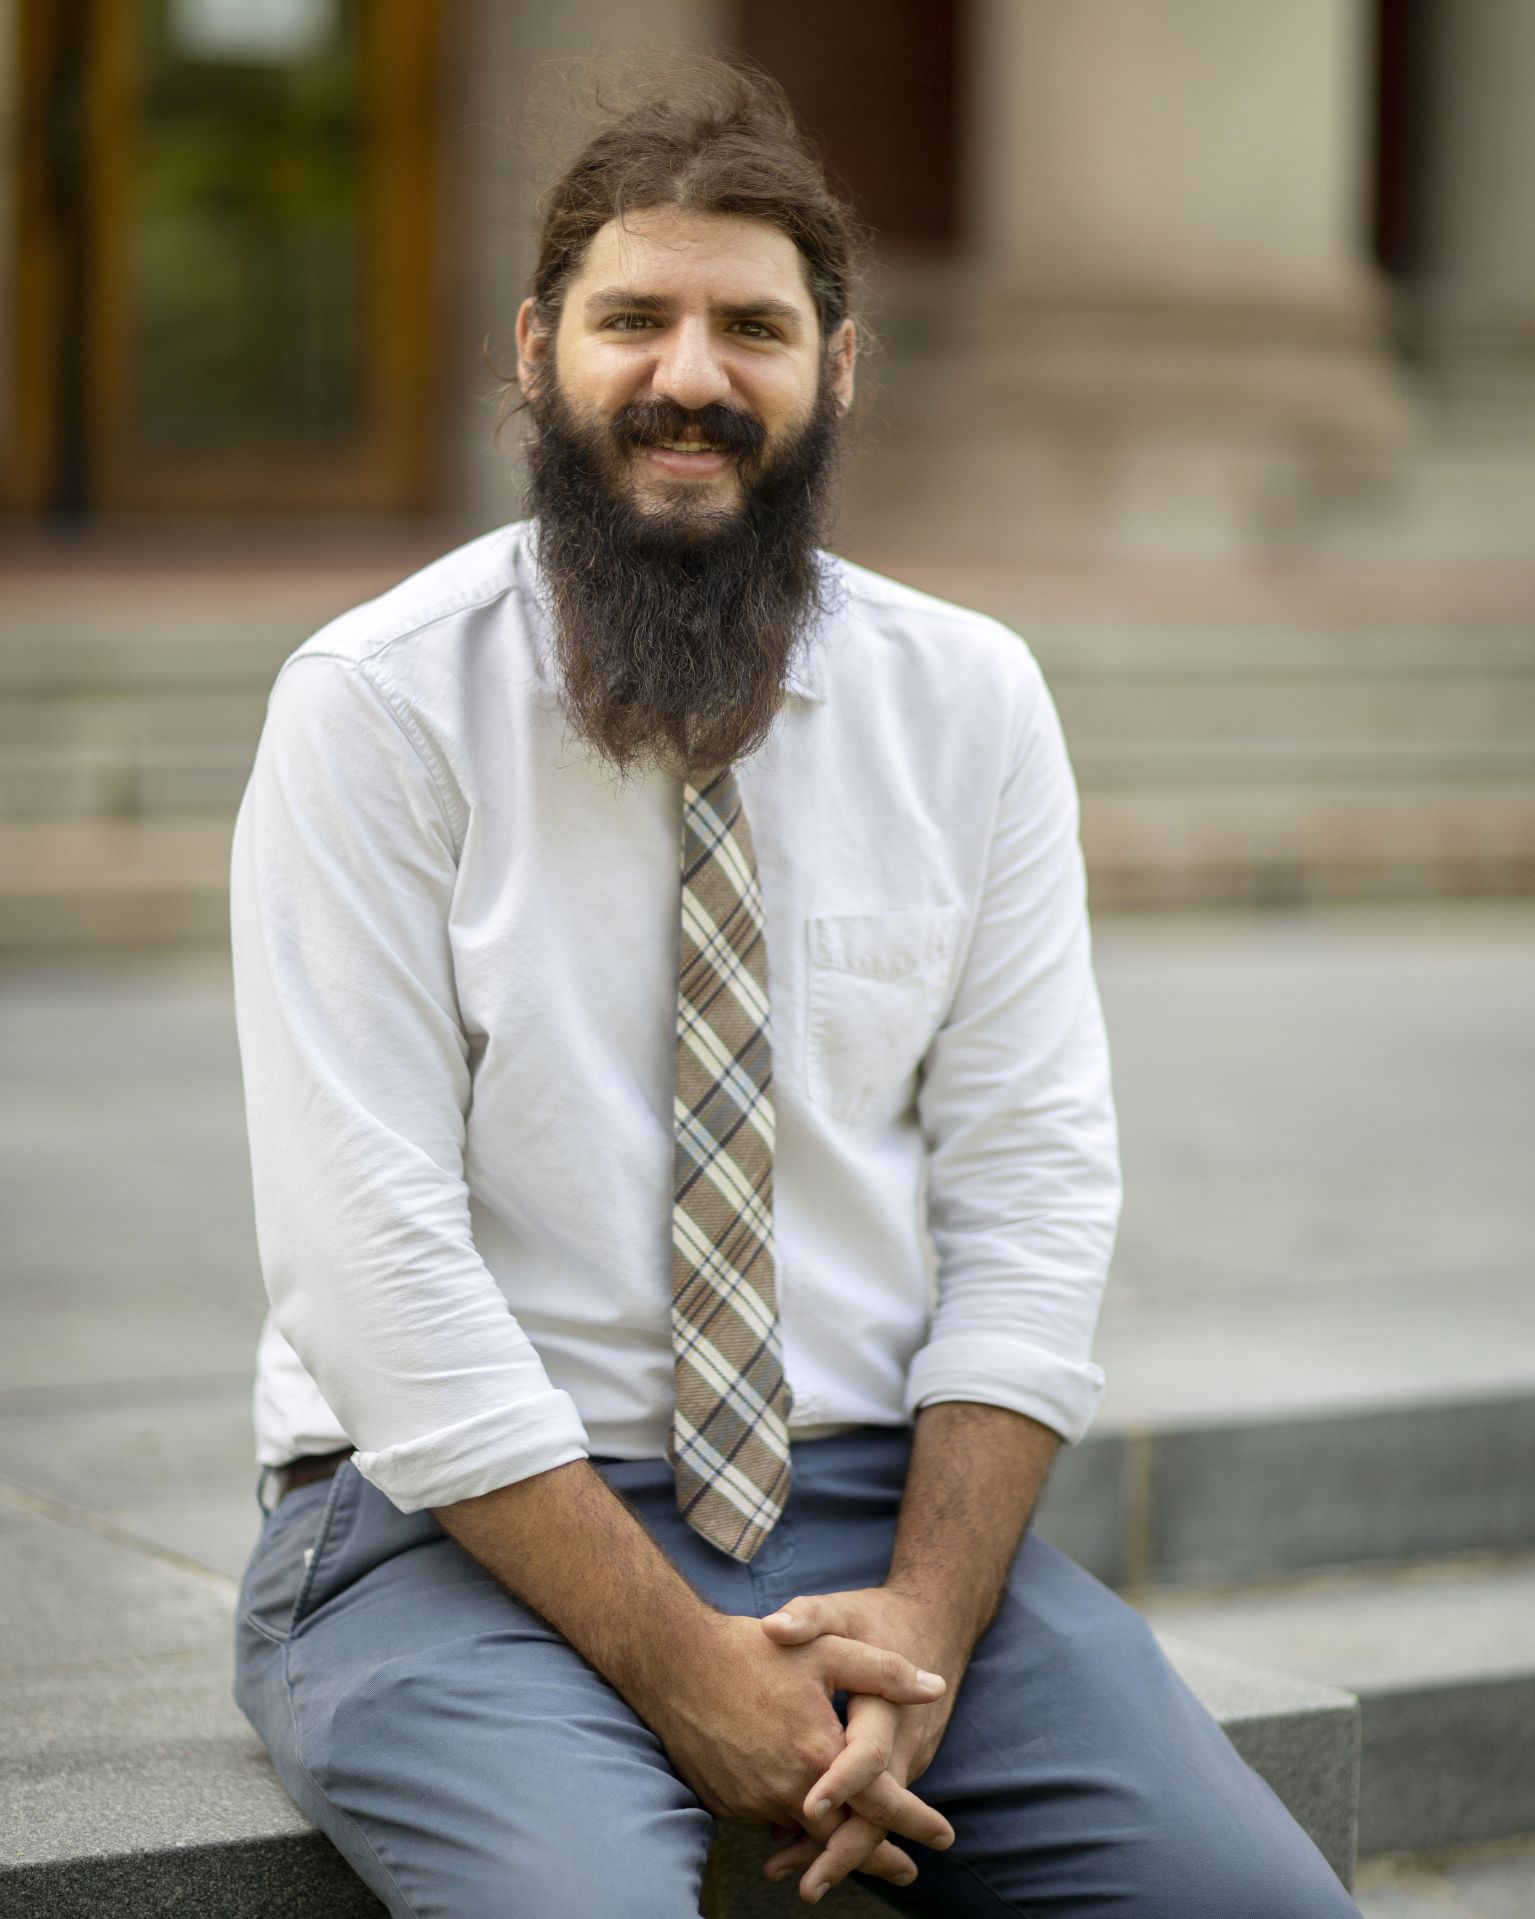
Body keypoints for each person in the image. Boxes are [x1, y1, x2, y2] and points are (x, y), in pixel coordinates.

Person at [229, 57, 1361, 1919]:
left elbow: (1032, 1187)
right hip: (444, 1533)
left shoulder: (970, 700)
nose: (690, 377)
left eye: (753, 326)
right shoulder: (373, 707)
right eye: (633, 322)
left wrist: (926, 1616)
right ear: (536, 353)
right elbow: (371, 1265)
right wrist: (688, 1675)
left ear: (839, 368)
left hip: (872, 1517)